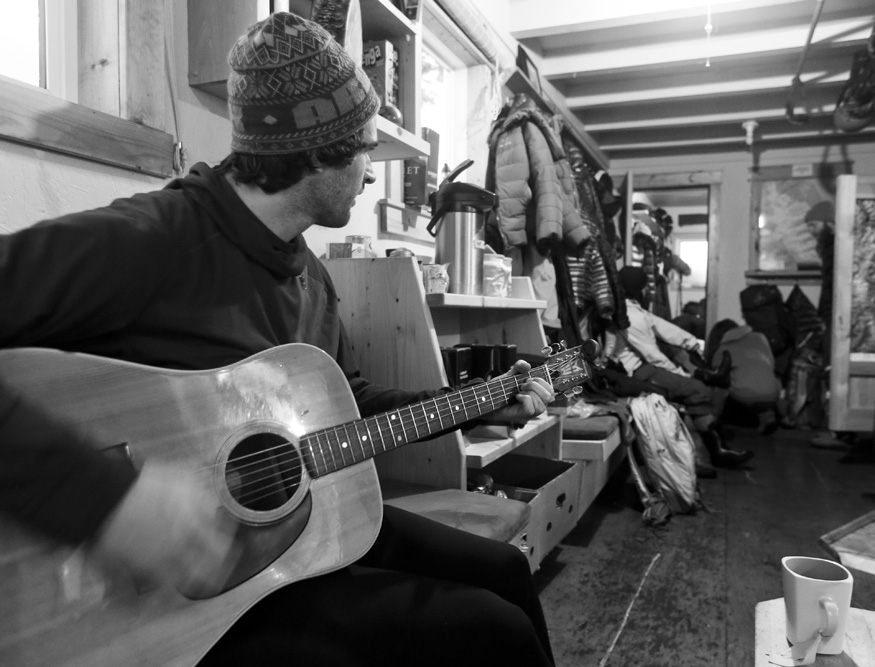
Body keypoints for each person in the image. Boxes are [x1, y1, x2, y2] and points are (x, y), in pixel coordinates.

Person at [0, 13, 556, 666]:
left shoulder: (311, 277)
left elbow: (343, 404)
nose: (373, 173)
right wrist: (105, 499)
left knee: (507, 574)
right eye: (365, 148)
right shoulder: (153, 241)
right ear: (316, 152)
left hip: (291, 533)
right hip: (167, 596)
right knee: (492, 630)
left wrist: (480, 401)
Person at [604, 266, 753, 470]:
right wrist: (681, 375)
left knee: (673, 349)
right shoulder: (630, 316)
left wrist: (692, 343)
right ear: (640, 289)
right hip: (634, 370)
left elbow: (665, 329)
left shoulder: (633, 310)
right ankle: (717, 450)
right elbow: (652, 355)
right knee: (696, 389)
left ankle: (707, 376)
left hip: (642, 366)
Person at [706, 318, 782, 434]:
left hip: (743, 399)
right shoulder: (759, 337)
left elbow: (715, 377)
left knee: (723, 384)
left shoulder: (723, 349)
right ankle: (766, 414)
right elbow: (771, 364)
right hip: (772, 393)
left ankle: (715, 421)